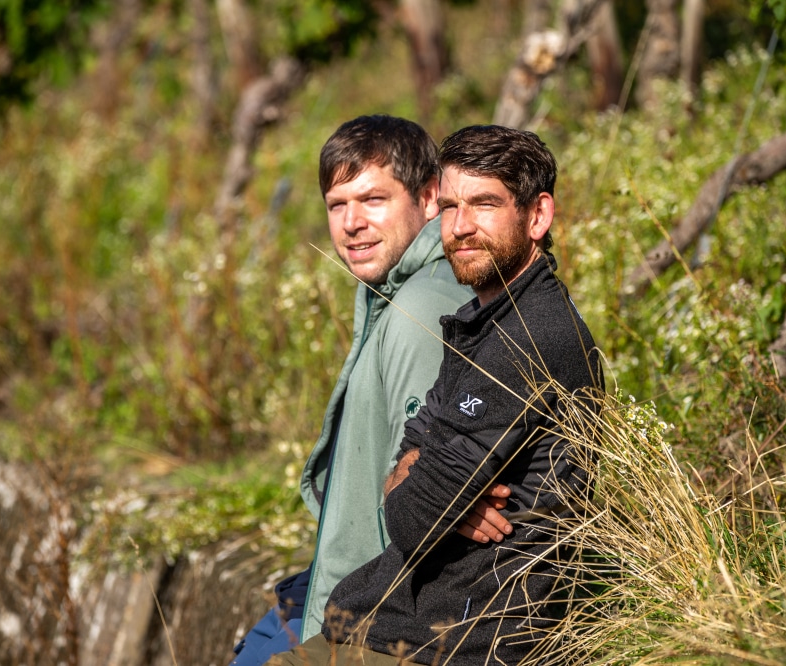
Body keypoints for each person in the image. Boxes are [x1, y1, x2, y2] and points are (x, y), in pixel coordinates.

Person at [267, 125, 603, 665]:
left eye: (485, 205)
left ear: (537, 216)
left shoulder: (530, 337)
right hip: (414, 619)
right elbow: (412, 461)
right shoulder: (479, 323)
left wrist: (422, 485)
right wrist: (420, 478)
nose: (461, 227)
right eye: (450, 206)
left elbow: (412, 514)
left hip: (459, 639)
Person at [232, 115, 508, 665]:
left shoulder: (419, 310)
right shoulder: (399, 291)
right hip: (345, 590)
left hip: (379, 617)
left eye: (374, 199)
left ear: (430, 198)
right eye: (338, 205)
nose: (352, 223)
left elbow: (426, 489)